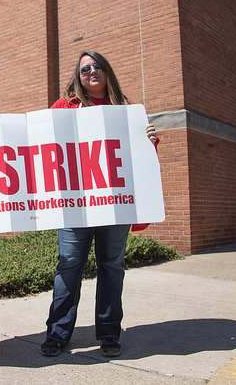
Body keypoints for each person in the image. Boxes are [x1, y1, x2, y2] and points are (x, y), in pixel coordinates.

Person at [41, 51, 159, 358]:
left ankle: (109, 333)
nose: (92, 72)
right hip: (75, 203)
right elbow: (40, 139)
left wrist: (149, 139)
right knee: (69, 265)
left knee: (111, 267)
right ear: (78, 77)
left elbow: (138, 154)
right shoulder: (65, 105)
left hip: (114, 204)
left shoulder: (127, 108)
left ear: (107, 71)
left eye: (97, 67)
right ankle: (57, 332)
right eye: (85, 69)